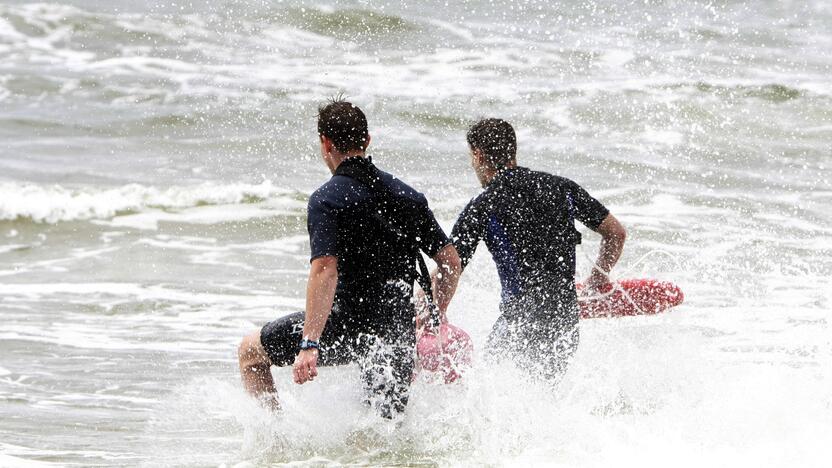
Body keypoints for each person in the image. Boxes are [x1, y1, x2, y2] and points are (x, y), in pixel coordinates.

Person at [238, 99, 461, 418]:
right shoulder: (408, 196)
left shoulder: (327, 200)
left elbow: (325, 270)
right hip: (397, 332)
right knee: (385, 433)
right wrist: (435, 311)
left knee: (250, 352)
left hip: (347, 325)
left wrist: (309, 343)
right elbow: (451, 261)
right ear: (367, 140)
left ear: (325, 143)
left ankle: (277, 447)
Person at [449, 118, 626, 382]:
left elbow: (449, 267)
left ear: (478, 154)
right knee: (543, 401)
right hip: (564, 322)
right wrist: (598, 279)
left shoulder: (483, 204)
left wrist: (427, 309)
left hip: (518, 324)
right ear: (512, 151)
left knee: (492, 399)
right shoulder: (561, 188)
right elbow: (615, 233)